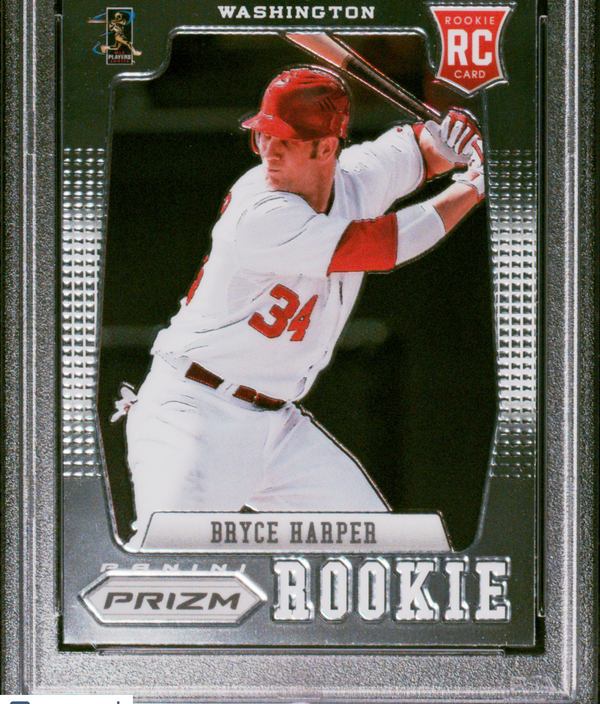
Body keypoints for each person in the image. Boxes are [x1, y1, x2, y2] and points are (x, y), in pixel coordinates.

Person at [118, 66, 484, 545]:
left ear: (326, 148)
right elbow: (383, 245)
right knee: (170, 557)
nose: (268, 151)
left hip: (278, 426)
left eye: (285, 140)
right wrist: (474, 185)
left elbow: (421, 150)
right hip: (193, 411)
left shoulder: (358, 176)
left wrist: (457, 139)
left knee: (390, 550)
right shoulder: (261, 211)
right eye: (263, 135)